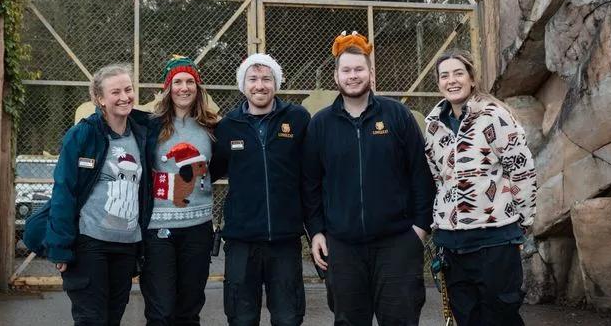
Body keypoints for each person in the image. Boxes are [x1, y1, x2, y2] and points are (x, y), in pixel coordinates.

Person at [302, 32, 435, 326]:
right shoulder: (320, 125)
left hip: (398, 243)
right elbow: (310, 185)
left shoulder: (398, 115)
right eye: (346, 70)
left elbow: (421, 176)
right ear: (335, 76)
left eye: (359, 69)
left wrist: (419, 230)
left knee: (401, 319)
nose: (353, 76)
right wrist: (317, 232)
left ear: (371, 73)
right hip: (343, 247)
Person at [423, 52, 537, 326]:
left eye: (458, 73)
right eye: (445, 75)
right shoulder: (433, 126)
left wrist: (523, 221)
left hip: (495, 239)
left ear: (472, 79)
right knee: (466, 318)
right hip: (452, 243)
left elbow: (521, 170)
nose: (452, 80)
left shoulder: (495, 117)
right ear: (438, 82)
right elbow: (438, 178)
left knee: (501, 316)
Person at [40, 63, 157, 326]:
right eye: (115, 92)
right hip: (90, 245)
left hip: (127, 247)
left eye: (128, 89)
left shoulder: (142, 133)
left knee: (112, 318)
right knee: (91, 319)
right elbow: (64, 191)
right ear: (100, 99)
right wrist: (60, 247)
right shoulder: (83, 134)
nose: (124, 97)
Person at [211, 53, 311, 326]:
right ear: (243, 85)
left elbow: (312, 173)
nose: (260, 85)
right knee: (241, 318)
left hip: (285, 239)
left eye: (267, 78)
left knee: (288, 317)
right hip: (241, 240)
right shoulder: (228, 126)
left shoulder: (299, 118)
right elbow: (210, 170)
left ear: (276, 84)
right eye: (252, 79)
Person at [141, 56, 219, 326]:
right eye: (177, 82)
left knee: (189, 309)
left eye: (190, 81)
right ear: (168, 87)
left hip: (198, 228)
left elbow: (215, 168)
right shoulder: (151, 126)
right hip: (158, 229)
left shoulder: (211, 127)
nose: (184, 88)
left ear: (198, 87)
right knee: (161, 311)